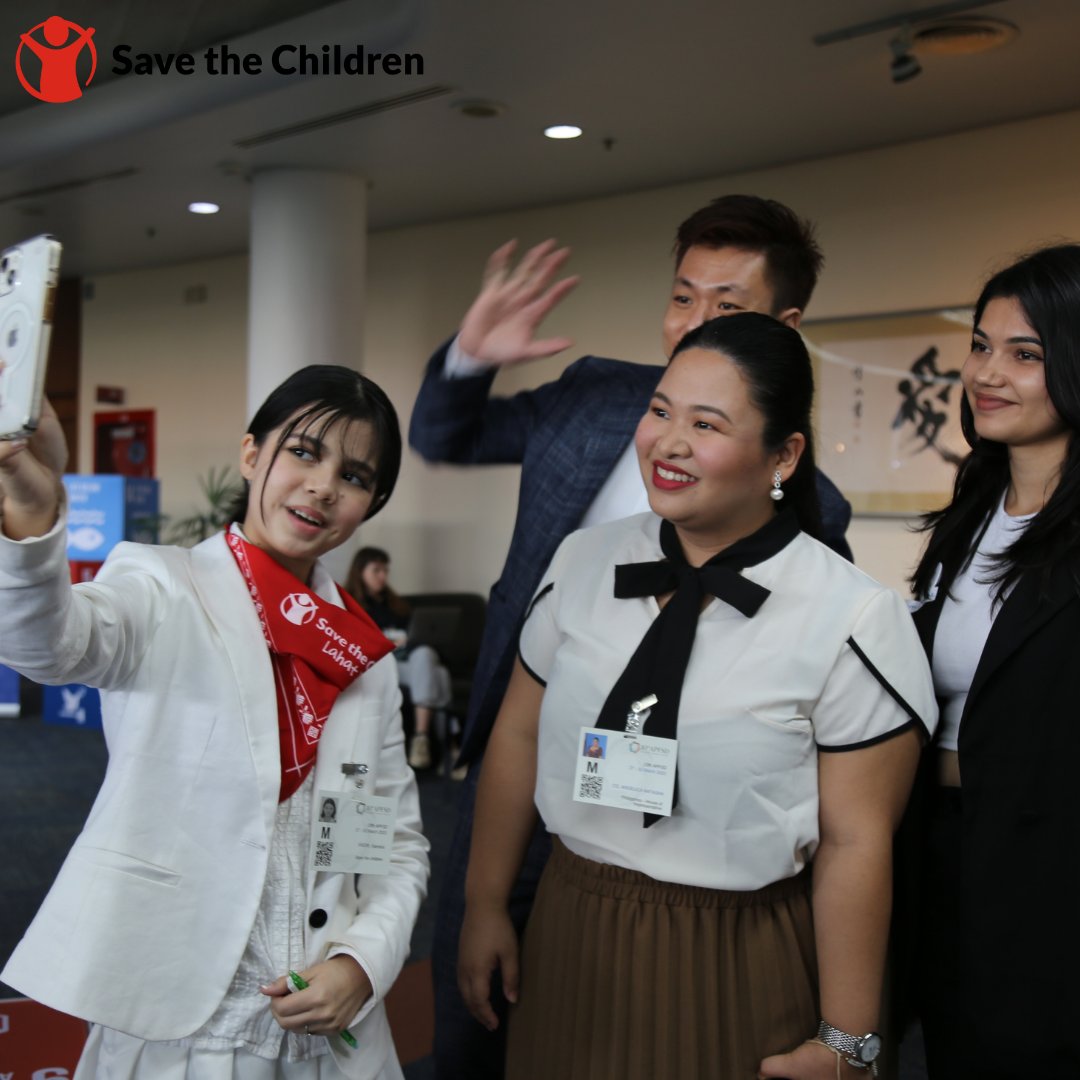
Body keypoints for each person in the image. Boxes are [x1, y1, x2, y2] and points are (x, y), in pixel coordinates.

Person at [409, 193, 853, 1078]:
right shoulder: (596, 396)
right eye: (682, 296)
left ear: (783, 326)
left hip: (672, 812)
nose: (693, 322)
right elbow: (443, 433)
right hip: (522, 761)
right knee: (467, 1017)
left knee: (618, 1019)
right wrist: (469, 359)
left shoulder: (814, 512)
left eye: (725, 304)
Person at [458, 313, 935, 1080]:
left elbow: (856, 842)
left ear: (784, 455)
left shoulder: (849, 616)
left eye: (706, 424)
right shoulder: (582, 561)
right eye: (660, 411)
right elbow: (518, 733)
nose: (668, 443)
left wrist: (849, 1039)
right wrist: (485, 904)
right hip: (568, 929)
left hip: (734, 954)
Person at [0, 364, 429, 1080]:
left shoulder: (362, 655)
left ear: (370, 503)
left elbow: (390, 841)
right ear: (251, 454)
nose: (324, 485)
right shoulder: (163, 587)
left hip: (326, 1030)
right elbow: (50, 645)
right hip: (180, 1026)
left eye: (354, 476)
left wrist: (362, 963)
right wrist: (34, 521)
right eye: (303, 452)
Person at [908, 244, 1080, 1077]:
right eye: (980, 345)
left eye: (1025, 354)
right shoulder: (973, 511)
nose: (986, 373)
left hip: (1048, 875)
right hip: (943, 853)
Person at [345, 545, 455, 771]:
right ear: (360, 572)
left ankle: (421, 739)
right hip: (382, 665)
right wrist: (386, 643)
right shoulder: (349, 604)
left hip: (408, 662)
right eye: (376, 570)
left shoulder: (397, 605)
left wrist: (408, 641)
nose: (383, 576)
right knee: (440, 675)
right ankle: (450, 747)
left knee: (426, 656)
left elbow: (417, 636)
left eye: (385, 570)